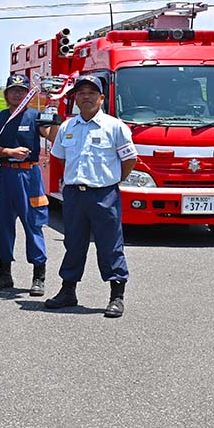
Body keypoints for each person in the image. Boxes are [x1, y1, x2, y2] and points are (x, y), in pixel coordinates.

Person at [45, 76, 137, 318]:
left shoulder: (114, 127)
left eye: (91, 92)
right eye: (81, 92)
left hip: (104, 194)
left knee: (110, 245)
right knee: (73, 244)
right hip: (75, 195)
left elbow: (129, 160)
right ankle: (68, 291)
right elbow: (61, 157)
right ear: (75, 98)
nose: (86, 96)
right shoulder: (67, 127)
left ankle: (116, 296)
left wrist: (114, 180)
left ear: (102, 98)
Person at [0, 73, 59, 297]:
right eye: (13, 90)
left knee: (34, 224)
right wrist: (8, 152)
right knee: (5, 226)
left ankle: (39, 276)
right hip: (6, 176)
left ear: (28, 94)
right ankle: (4, 273)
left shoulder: (36, 116)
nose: (16, 94)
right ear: (6, 93)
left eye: (21, 90)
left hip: (30, 177)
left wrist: (54, 118)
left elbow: (51, 136)